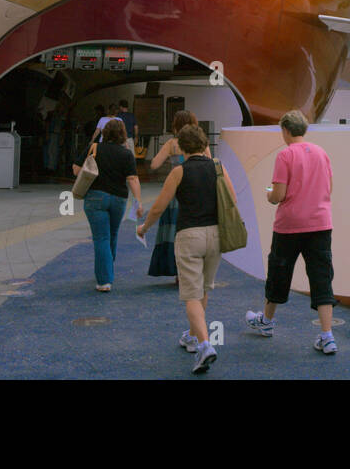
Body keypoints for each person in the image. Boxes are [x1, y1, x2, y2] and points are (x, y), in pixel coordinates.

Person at [137, 125, 237, 375]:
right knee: (203, 288)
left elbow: (159, 207)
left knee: (190, 293)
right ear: (204, 144)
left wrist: (144, 227)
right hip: (215, 234)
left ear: (181, 147)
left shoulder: (179, 172)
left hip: (189, 234)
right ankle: (193, 336)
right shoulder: (218, 167)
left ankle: (205, 345)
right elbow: (233, 200)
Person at [245, 110, 338, 354]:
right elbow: (329, 187)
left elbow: (279, 195)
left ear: (286, 131)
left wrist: (269, 193)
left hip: (289, 225)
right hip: (320, 223)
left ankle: (266, 321)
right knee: (321, 276)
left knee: (279, 271)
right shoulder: (322, 153)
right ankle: (327, 335)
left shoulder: (285, 155)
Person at [74, 118, 141, 292]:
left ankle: (104, 280)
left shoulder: (94, 148)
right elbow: (132, 179)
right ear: (123, 135)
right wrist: (138, 202)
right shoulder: (127, 154)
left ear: (105, 133)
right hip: (118, 199)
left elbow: (75, 168)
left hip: (95, 198)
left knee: (101, 238)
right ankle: (107, 271)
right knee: (112, 235)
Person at [145, 110, 199, 282]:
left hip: (175, 193)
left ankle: (176, 270)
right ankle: (190, 270)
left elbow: (154, 164)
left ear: (175, 125)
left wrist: (172, 159)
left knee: (173, 232)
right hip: (194, 193)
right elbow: (209, 163)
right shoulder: (200, 143)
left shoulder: (172, 144)